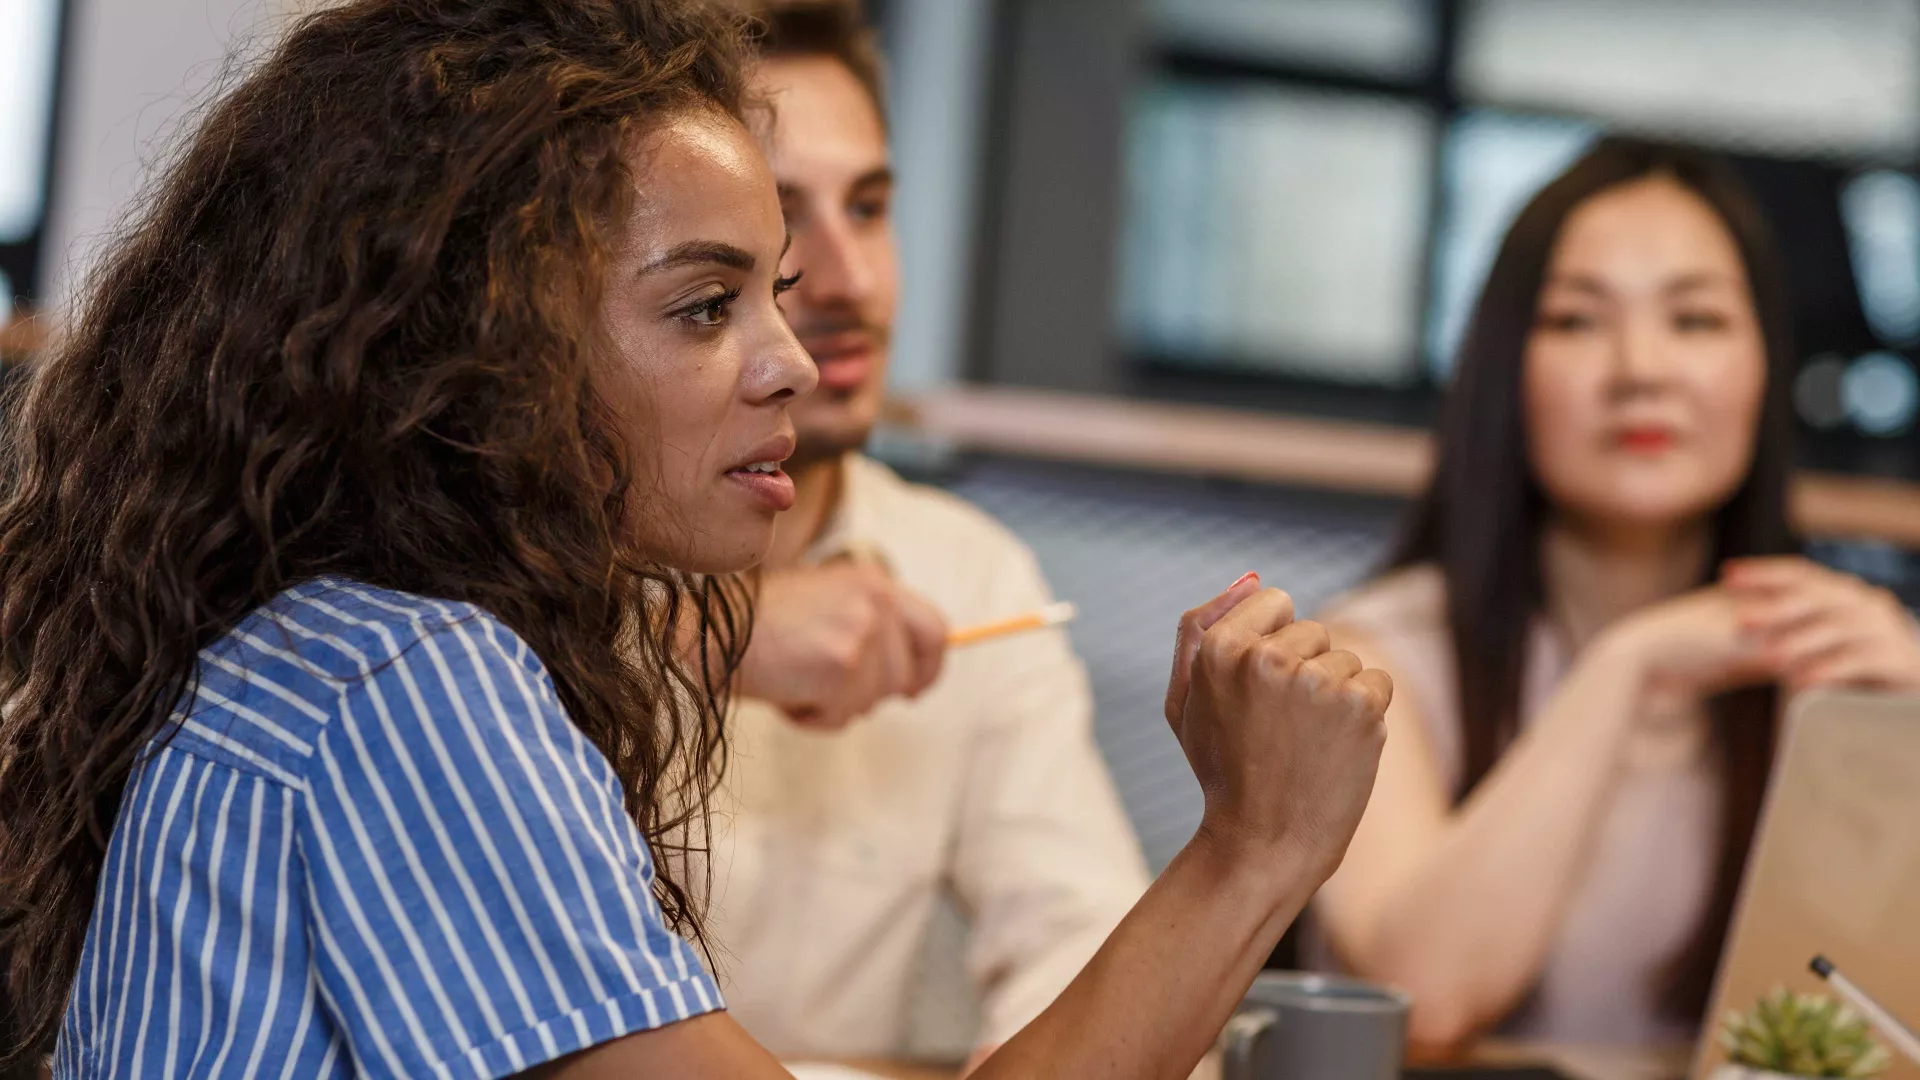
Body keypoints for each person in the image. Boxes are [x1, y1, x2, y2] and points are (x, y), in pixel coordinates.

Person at [0, 2, 1393, 1077]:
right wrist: (1254, 848)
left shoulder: (319, 632)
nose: (794, 362)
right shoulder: (410, 682)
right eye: (707, 306)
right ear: (478, 348)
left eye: (776, 291)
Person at [1310, 137, 1920, 1052]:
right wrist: (1626, 668)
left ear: (1766, 366)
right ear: (1505, 368)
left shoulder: (1840, 662)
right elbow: (1424, 1005)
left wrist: (1904, 742)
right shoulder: (1366, 666)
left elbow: (1858, 1040)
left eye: (1696, 320)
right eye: (1577, 320)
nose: (1641, 369)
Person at [696, 2, 1154, 1065]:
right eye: (777, 217)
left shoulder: (971, 576)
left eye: (869, 208)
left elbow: (1079, 950)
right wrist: (710, 637)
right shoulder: (520, 575)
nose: (849, 281)